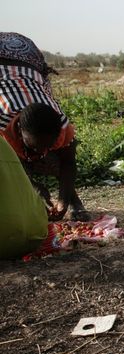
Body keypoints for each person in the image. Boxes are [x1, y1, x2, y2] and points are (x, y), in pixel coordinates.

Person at [0, 32, 89, 221]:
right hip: (6, 69)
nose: (41, 153)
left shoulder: (62, 125)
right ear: (18, 130)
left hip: (28, 60)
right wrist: (31, 186)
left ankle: (75, 203)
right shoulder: (2, 123)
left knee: (53, 160)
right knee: (18, 164)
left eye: (48, 146)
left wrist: (64, 200)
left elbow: (68, 162)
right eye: (34, 147)